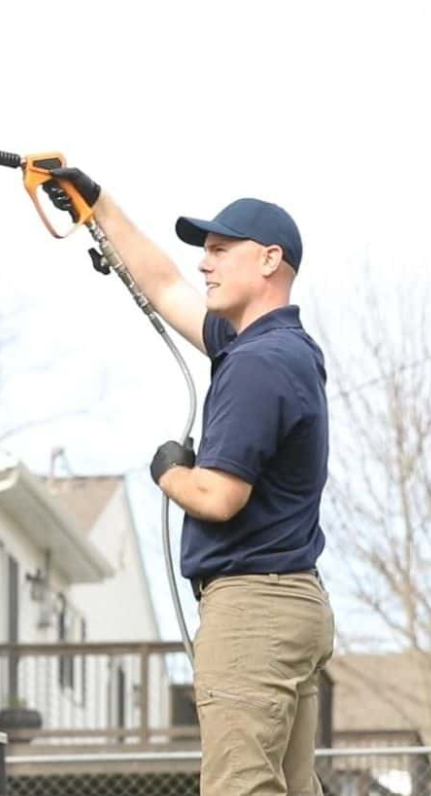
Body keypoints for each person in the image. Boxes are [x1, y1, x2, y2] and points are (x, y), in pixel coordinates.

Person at [45, 170, 336, 796]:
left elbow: (219, 496)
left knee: (239, 787)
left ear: (269, 259)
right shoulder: (275, 347)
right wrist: (98, 208)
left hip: (253, 609)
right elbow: (164, 285)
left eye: (219, 249)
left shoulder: (258, 364)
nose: (203, 263)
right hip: (292, 602)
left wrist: (169, 471)